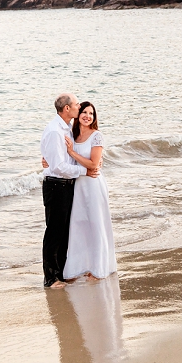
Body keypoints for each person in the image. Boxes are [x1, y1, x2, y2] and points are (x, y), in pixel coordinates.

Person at [41, 93, 99, 288]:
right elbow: (58, 167)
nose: (79, 106)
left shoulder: (66, 128)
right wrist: (85, 170)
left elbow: (63, 158)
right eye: (76, 104)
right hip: (56, 185)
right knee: (54, 232)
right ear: (67, 109)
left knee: (65, 231)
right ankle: (51, 279)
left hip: (67, 185)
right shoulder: (55, 131)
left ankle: (61, 273)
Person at [62, 101, 117, 280]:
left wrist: (73, 153)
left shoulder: (96, 136)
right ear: (78, 115)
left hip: (93, 184)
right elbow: (60, 154)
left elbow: (94, 164)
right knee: (79, 226)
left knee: (96, 224)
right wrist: (47, 161)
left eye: (91, 113)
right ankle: (80, 267)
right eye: (84, 112)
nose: (87, 116)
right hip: (78, 186)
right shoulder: (73, 134)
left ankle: (99, 268)